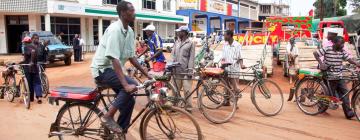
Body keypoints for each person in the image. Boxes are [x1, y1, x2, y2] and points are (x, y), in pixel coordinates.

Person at [90, 1, 151, 133]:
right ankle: (107, 117)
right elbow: (113, 58)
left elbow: (131, 57)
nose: (134, 13)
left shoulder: (129, 31)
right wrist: (125, 84)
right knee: (130, 85)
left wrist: (147, 74)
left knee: (129, 101)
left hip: (111, 70)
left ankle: (120, 131)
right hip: (102, 70)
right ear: (123, 13)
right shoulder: (114, 29)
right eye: (132, 10)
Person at [313, 36, 360, 120]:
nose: (342, 45)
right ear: (335, 43)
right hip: (329, 75)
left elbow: (349, 59)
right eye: (341, 43)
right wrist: (321, 63)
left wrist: (357, 63)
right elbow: (315, 53)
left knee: (345, 94)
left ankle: (348, 113)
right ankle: (321, 108)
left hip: (339, 76)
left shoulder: (342, 51)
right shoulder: (327, 49)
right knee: (328, 95)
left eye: (343, 43)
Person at [171, 26, 195, 112]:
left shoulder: (191, 43)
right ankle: (174, 107)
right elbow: (173, 55)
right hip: (176, 70)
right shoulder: (176, 42)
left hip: (186, 71)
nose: (178, 33)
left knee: (187, 90)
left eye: (179, 32)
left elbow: (191, 58)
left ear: (184, 33)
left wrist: (190, 70)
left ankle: (188, 108)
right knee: (175, 90)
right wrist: (170, 67)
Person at [221, 30, 246, 97]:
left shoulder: (237, 45)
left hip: (234, 69)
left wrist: (242, 65)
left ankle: (235, 103)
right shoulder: (225, 45)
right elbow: (223, 57)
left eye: (225, 35)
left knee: (235, 87)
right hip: (226, 69)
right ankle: (227, 101)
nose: (224, 37)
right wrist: (222, 64)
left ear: (229, 36)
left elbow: (240, 57)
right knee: (226, 86)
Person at [21, 35, 43, 104]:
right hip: (35, 68)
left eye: (24, 42)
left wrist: (30, 62)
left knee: (29, 83)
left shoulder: (26, 47)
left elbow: (30, 54)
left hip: (28, 68)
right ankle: (39, 97)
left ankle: (31, 98)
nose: (24, 43)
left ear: (26, 42)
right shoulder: (35, 47)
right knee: (37, 83)